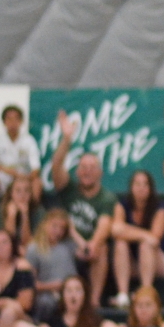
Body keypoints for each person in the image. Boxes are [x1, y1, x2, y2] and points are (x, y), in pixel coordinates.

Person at [49, 113, 118, 306]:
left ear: (100, 173)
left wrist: (91, 246)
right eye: (83, 167)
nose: (87, 171)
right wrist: (66, 139)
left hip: (89, 245)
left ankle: (93, 303)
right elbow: (56, 166)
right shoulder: (68, 188)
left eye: (92, 167)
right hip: (65, 243)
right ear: (77, 171)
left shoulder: (106, 197)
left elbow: (104, 226)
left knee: (102, 249)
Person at [111, 169, 164, 309]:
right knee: (120, 244)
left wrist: (128, 232)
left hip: (158, 262)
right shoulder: (122, 206)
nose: (141, 188)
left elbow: (154, 239)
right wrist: (144, 235)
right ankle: (123, 295)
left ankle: (146, 293)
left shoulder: (160, 208)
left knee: (146, 246)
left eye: (145, 184)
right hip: (133, 264)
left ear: (151, 188)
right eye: (137, 184)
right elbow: (116, 230)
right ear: (131, 187)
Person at [0, 104, 42, 220]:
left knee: (37, 182)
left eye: (16, 119)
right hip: (1, 182)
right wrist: (10, 172)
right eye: (9, 119)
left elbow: (35, 169)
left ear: (21, 122)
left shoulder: (28, 140)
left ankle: (33, 215)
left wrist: (23, 178)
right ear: (4, 122)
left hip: (22, 182)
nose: (13, 123)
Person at [26, 208, 79, 322]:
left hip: (70, 292)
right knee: (46, 302)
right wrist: (53, 286)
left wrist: (73, 233)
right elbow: (30, 284)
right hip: (47, 294)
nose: (58, 231)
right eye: (54, 226)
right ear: (44, 224)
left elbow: (88, 253)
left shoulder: (68, 246)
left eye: (62, 228)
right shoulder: (33, 249)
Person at [0, 173, 39, 254]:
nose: (23, 195)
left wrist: (25, 216)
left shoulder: (37, 211)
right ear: (11, 194)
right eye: (18, 191)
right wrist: (11, 217)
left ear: (31, 194)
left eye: (26, 190)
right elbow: (5, 242)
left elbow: (27, 243)